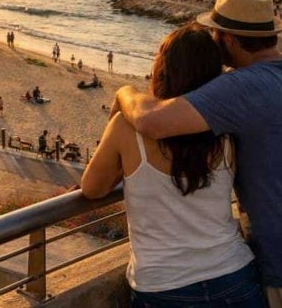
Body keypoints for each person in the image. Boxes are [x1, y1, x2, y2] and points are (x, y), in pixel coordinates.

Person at [113, 0, 282, 306]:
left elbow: (152, 122)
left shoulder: (243, 85)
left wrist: (123, 93)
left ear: (230, 40)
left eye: (216, 34)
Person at [82, 23, 262, 307]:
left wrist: (125, 98)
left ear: (164, 68)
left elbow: (92, 188)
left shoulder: (126, 128)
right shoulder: (225, 127)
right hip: (234, 276)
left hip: (163, 286)